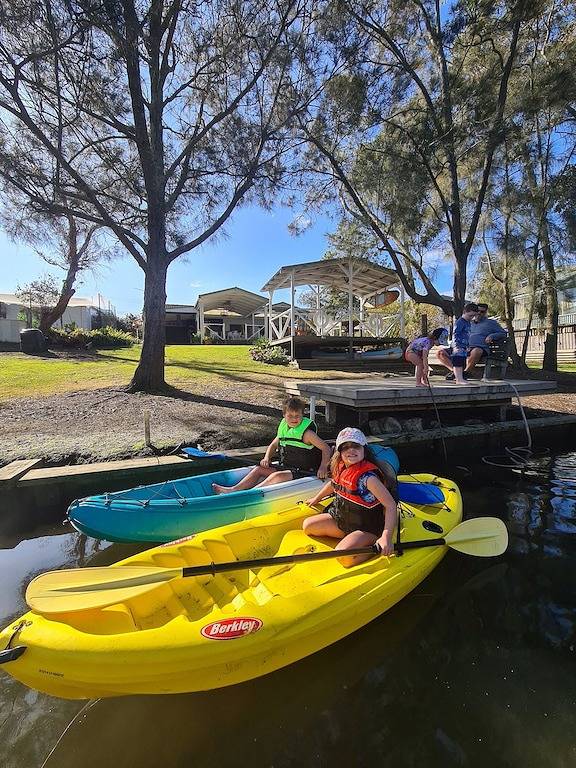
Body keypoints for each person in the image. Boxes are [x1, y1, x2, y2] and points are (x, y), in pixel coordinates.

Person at [302, 427, 398, 568]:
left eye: (356, 446)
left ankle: (373, 543)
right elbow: (334, 484)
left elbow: (390, 505)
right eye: (345, 447)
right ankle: (351, 540)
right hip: (342, 520)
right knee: (308, 526)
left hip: (366, 527)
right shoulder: (340, 467)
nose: (351, 450)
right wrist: (316, 498)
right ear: (339, 452)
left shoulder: (368, 478)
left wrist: (386, 537)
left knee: (343, 557)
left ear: (364, 450)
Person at [212, 396, 331, 494]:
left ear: (302, 415)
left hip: (303, 471)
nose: (294, 419)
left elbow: (326, 448)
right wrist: (266, 458)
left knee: (277, 476)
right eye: (290, 416)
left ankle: (248, 494)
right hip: (287, 467)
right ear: (284, 415)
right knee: (259, 469)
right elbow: (273, 446)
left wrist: (323, 467)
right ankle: (233, 490)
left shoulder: (307, 434)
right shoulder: (284, 429)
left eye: (297, 416)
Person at [436, 303, 479, 384]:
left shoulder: (468, 323)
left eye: (473, 316)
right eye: (470, 315)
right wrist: (456, 346)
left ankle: (460, 378)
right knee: (458, 362)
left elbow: (467, 336)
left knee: (462, 362)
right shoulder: (460, 322)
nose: (471, 318)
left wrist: (467, 346)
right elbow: (455, 334)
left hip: (464, 347)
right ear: (465, 312)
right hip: (458, 346)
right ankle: (459, 379)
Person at [465, 303, 508, 375]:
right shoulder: (468, 323)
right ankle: (455, 372)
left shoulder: (491, 323)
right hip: (466, 348)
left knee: (476, 351)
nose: (479, 313)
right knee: (441, 352)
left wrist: (492, 336)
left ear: (485, 313)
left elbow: (503, 333)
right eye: (477, 311)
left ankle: (465, 373)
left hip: (481, 349)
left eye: (482, 312)